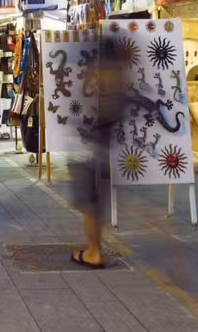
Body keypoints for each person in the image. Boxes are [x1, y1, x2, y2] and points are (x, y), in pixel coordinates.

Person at [69, 32, 127, 269]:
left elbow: (84, 106)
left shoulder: (97, 77)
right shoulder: (119, 79)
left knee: (88, 203)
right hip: (106, 149)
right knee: (97, 202)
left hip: (88, 148)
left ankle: (93, 251)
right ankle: (96, 248)